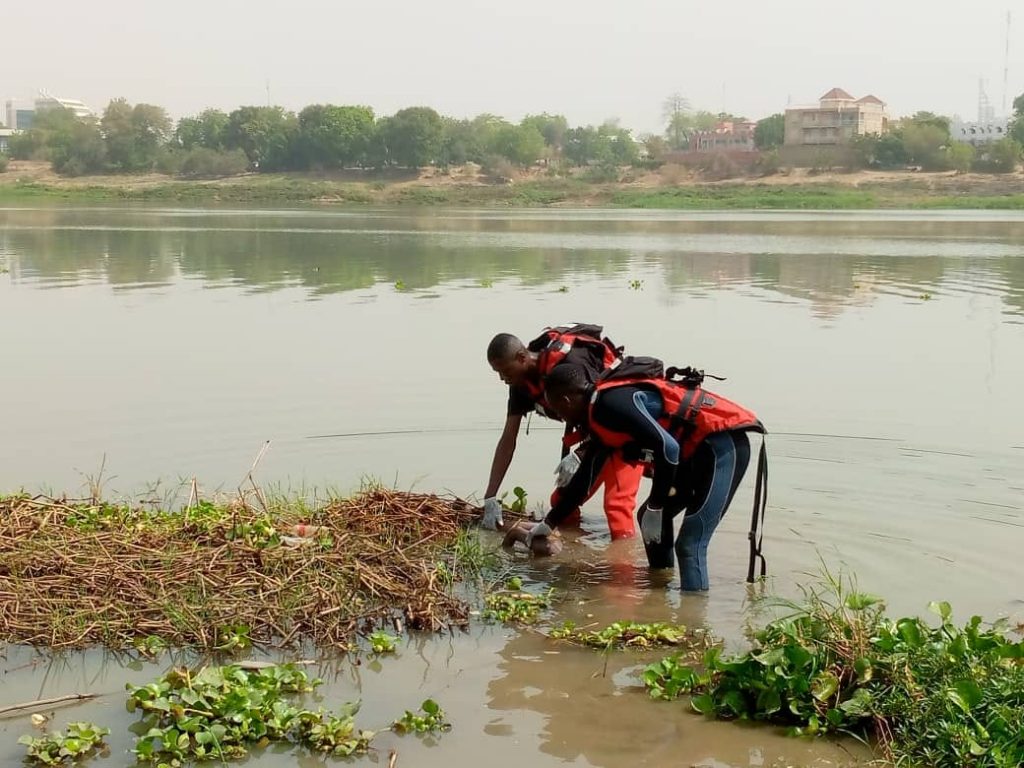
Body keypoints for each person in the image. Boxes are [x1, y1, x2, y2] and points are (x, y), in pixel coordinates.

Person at [531, 361, 767, 591]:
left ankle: (694, 624)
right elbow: (582, 483)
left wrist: (657, 504)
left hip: (722, 448)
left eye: (560, 412)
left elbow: (669, 448)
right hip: (695, 455)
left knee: (690, 543)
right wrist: (548, 523)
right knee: (647, 518)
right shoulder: (599, 418)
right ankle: (660, 592)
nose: (563, 419)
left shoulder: (610, 404)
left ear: (566, 401)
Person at [481, 324, 644, 540]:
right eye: (498, 373)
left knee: (616, 506)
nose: (503, 378)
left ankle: (624, 568)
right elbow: (508, 438)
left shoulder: (571, 367)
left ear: (521, 357)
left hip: (623, 431)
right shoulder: (520, 386)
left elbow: (609, 414)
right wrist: (490, 496)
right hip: (594, 439)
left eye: (505, 371)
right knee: (561, 503)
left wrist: (579, 455)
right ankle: (573, 546)